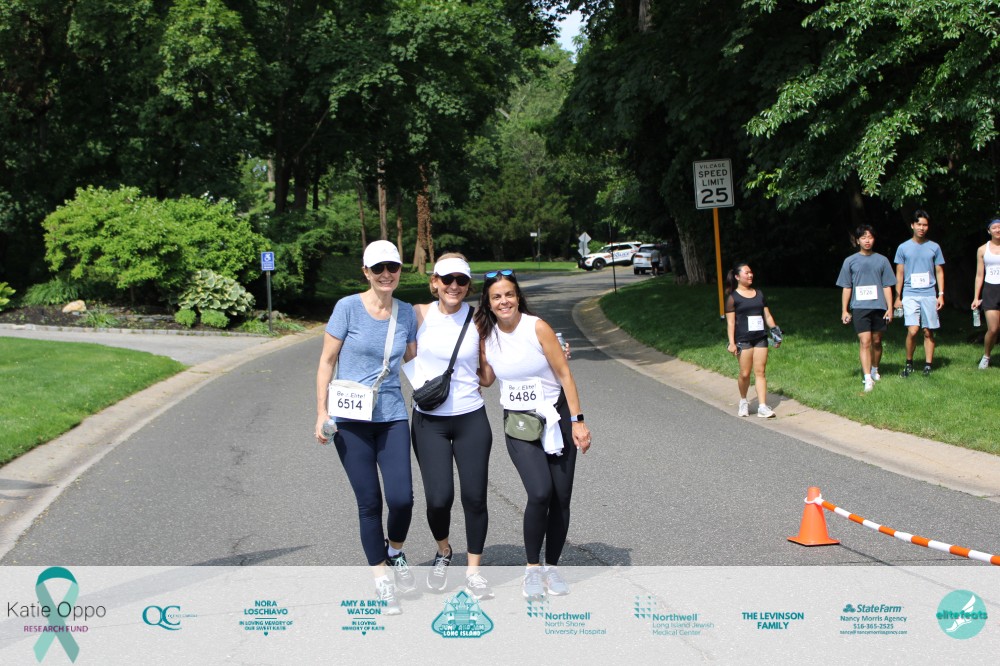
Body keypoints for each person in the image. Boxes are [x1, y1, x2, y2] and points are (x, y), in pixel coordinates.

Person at [314, 240, 417, 615]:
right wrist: (320, 412)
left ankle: (395, 551)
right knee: (370, 502)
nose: (386, 274)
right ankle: (382, 578)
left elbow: (417, 362)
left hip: (391, 416)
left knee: (402, 499)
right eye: (378, 269)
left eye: (393, 267)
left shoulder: (406, 313)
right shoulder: (347, 309)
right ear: (366, 273)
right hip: (350, 420)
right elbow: (327, 362)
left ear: (400, 270)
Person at [475, 269, 592, 600]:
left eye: (509, 294)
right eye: (497, 296)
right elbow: (486, 379)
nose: (504, 301)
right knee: (540, 493)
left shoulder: (537, 327)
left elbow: (565, 375)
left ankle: (551, 567)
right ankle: (531, 569)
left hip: (556, 418)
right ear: (488, 302)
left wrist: (578, 421)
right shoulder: (486, 336)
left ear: (518, 297)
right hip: (519, 424)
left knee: (561, 497)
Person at [410, 254, 495, 600]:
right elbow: (398, 352)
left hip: (470, 416)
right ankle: (444, 551)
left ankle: (474, 571)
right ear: (435, 282)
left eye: (461, 280)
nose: (454, 286)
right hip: (428, 420)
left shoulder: (478, 318)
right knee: (438, 499)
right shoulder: (417, 314)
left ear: (468, 285)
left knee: (474, 497)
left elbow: (487, 376)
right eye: (447, 279)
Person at [836, 225, 896, 392]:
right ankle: (867, 378)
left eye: (869, 237)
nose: (867, 241)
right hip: (860, 307)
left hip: (878, 306)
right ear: (857, 241)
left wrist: (890, 308)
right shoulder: (850, 261)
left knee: (876, 341)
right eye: (863, 238)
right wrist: (844, 310)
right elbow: (846, 286)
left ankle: (875, 369)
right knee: (865, 341)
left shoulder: (882, 260)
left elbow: (887, 286)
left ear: (874, 239)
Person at [725, 263, 781, 418]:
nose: (750, 275)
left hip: (760, 338)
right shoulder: (733, 298)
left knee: (760, 372)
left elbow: (767, 316)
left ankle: (762, 406)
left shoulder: (759, 294)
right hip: (743, 339)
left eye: (751, 272)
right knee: (745, 373)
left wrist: (776, 333)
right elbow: (730, 322)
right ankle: (743, 401)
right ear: (737, 277)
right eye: (746, 273)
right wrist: (732, 343)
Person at [893, 209, 945, 377]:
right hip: (910, 293)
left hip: (929, 293)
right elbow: (899, 273)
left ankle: (928, 365)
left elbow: (939, 271)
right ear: (912, 225)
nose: (922, 228)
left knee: (928, 331)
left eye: (925, 225)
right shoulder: (903, 248)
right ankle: (909, 363)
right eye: (919, 224)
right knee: (913, 330)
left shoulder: (934, 247)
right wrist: (897, 297)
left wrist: (941, 294)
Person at [972, 217, 1000, 369]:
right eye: (994, 227)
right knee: (993, 328)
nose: (998, 230)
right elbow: (979, 275)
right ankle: (986, 356)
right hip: (991, 290)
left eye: (999, 227)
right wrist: (976, 297)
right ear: (989, 230)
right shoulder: (982, 249)